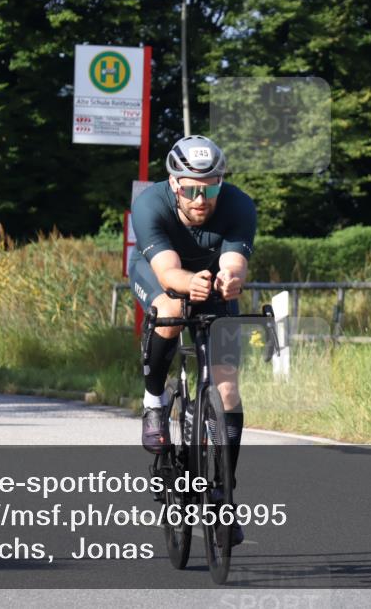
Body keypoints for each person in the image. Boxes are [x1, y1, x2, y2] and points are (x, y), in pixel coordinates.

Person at [127, 134, 256, 544]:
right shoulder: (150, 204)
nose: (201, 200)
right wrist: (188, 285)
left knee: (228, 390)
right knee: (171, 309)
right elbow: (168, 272)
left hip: (211, 283)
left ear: (221, 183)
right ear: (173, 183)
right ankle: (154, 401)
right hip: (160, 274)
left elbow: (234, 262)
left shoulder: (239, 205)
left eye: (210, 189)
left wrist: (231, 279)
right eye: (190, 190)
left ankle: (223, 494)